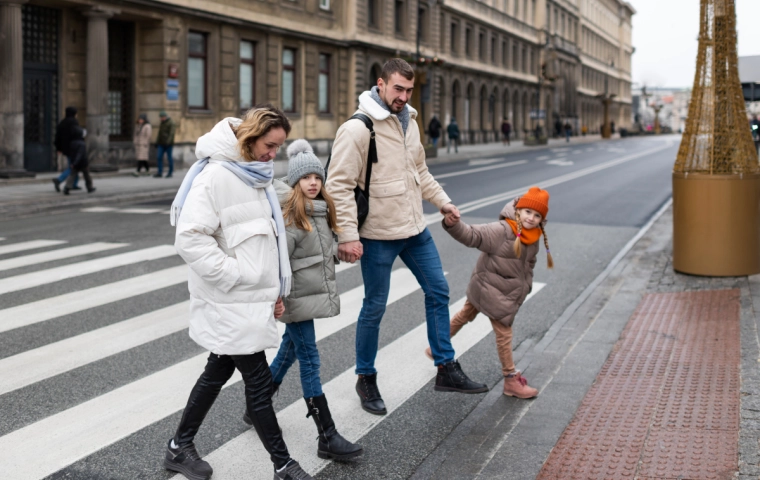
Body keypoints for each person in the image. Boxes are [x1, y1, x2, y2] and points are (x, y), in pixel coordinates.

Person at [326, 58, 487, 417]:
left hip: (414, 230)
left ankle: (445, 367)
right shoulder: (357, 128)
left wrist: (444, 202)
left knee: (438, 290)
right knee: (375, 307)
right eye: (397, 88)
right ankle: (365, 377)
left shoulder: (409, 121)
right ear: (380, 84)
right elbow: (337, 186)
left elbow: (420, 171)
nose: (403, 96)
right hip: (378, 235)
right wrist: (348, 236)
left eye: (409, 90)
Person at [165, 105, 314, 480]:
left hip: (248, 299)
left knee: (216, 372)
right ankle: (283, 464)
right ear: (249, 137)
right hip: (229, 298)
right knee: (259, 385)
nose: (273, 154)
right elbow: (189, 238)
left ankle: (178, 446)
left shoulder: (254, 174)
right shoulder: (216, 177)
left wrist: (274, 289)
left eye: (278, 147)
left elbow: (270, 243)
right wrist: (236, 276)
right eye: (269, 145)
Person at [242, 139, 363, 461]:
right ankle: (327, 434)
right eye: (306, 178)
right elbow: (277, 262)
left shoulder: (319, 212)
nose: (313, 183)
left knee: (291, 349)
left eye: (317, 178)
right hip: (294, 297)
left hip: (305, 294)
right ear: (294, 182)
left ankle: (258, 405)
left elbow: (315, 254)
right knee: (310, 357)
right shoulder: (292, 217)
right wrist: (276, 298)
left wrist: (338, 252)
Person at [429, 187, 553, 399]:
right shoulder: (502, 230)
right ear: (518, 211)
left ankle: (437, 347)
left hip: (493, 288)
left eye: (537, 215)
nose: (531, 218)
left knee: (465, 315)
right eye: (527, 212)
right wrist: (454, 224)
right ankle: (511, 380)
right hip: (492, 290)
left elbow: (528, 265)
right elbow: (472, 235)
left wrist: (526, 286)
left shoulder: (533, 237)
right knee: (504, 334)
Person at [53, 106, 80, 192]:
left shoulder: (62, 122)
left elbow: (57, 137)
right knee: (73, 167)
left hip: (65, 148)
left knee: (74, 165)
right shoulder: (74, 122)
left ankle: (74, 184)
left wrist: (58, 148)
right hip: (73, 148)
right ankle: (59, 180)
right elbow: (77, 134)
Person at [63, 127, 95, 195]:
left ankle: (67, 187)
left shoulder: (72, 143)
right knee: (87, 176)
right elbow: (80, 154)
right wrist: (76, 162)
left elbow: (72, 153)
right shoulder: (82, 143)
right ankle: (90, 187)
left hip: (75, 162)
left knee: (72, 175)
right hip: (82, 162)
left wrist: (73, 162)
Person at [155, 111, 177, 178]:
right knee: (159, 157)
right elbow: (159, 134)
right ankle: (160, 172)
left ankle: (170, 172)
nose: (161, 119)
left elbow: (171, 133)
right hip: (161, 143)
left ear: (165, 117)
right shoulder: (162, 123)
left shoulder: (171, 123)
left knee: (169, 158)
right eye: (160, 118)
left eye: (162, 117)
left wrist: (168, 142)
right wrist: (157, 142)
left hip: (168, 144)